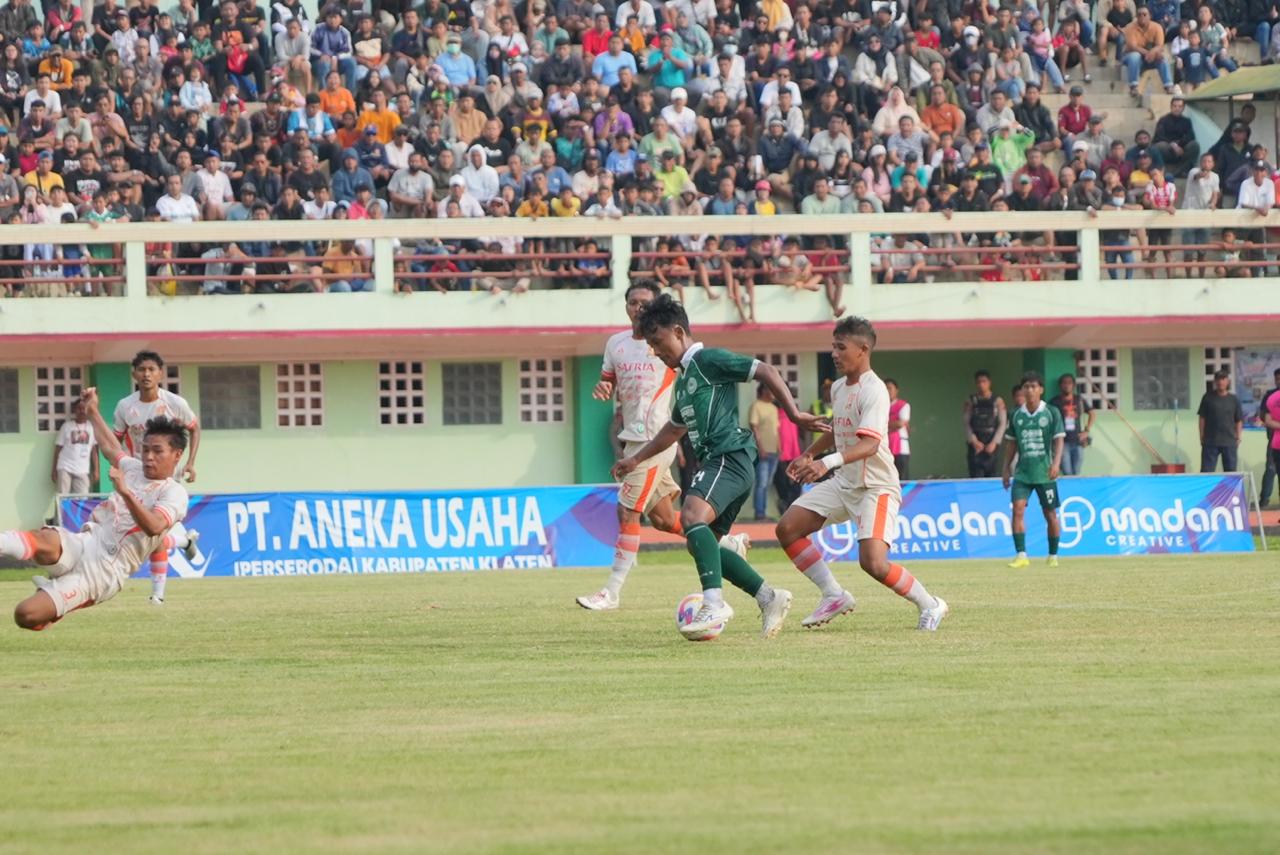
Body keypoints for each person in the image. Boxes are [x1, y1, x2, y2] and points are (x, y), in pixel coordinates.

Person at [612, 295, 822, 638]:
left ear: (678, 332)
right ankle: (768, 597)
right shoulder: (684, 381)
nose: (655, 351)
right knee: (700, 542)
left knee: (691, 517)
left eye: (658, 342)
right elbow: (673, 430)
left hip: (729, 455)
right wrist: (635, 458)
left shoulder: (707, 359)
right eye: (650, 345)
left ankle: (714, 604)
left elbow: (765, 371)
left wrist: (795, 415)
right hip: (721, 462)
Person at [577, 283, 749, 611]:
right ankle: (728, 543)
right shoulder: (616, 344)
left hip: (656, 439)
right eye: (632, 302)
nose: (638, 308)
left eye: (645, 302)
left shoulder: (664, 344)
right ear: (626, 307)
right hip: (632, 438)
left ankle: (611, 592)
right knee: (664, 519)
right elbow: (608, 381)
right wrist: (603, 386)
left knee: (627, 510)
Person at [775, 317, 949, 631]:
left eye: (841, 347)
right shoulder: (838, 387)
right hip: (845, 482)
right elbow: (839, 427)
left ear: (863, 349)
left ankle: (931, 604)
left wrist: (825, 464)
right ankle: (833, 595)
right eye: (833, 346)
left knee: (873, 563)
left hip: (876, 487)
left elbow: (870, 444)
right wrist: (809, 453)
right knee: (787, 528)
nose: (834, 353)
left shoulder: (876, 391)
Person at [8, 388, 188, 631]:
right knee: (43, 538)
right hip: (86, 540)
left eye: (157, 451)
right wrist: (92, 410)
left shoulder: (174, 493)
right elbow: (111, 447)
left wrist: (125, 492)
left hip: (105, 570)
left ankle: (61, 600)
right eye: (145, 449)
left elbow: (154, 527)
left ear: (177, 455)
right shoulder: (133, 468)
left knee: (25, 615)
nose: (148, 456)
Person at [112, 351, 200, 604]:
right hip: (136, 477)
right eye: (142, 370)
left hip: (166, 479)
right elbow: (114, 441)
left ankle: (157, 596)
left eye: (152, 369)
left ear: (161, 373)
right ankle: (183, 541)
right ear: (134, 374)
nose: (147, 374)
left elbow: (194, 428)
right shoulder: (125, 406)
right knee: (146, 534)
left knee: (153, 534)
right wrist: (119, 467)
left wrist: (190, 463)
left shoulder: (175, 403)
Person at [1003, 372, 1066, 569]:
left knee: (1050, 513)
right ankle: (1021, 555)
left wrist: (1056, 464)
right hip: (1022, 473)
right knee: (1017, 510)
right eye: (1026, 387)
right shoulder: (1016, 415)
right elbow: (1011, 444)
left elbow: (1059, 440)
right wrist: (1006, 468)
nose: (1029, 390)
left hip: (1045, 473)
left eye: (1033, 386)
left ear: (1041, 389)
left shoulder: (1051, 412)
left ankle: (1053, 555)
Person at [963, 370, 1007, 478]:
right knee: (975, 475)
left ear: (989, 382)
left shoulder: (998, 401)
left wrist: (994, 442)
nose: (981, 384)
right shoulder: (970, 401)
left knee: (991, 474)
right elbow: (966, 422)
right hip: (975, 442)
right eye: (979, 382)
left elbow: (1003, 423)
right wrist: (973, 441)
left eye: (984, 381)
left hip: (991, 441)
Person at [1049, 374, 1095, 476]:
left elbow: (1092, 413)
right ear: (1060, 385)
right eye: (1064, 383)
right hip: (1062, 442)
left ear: (1073, 385)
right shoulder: (1054, 402)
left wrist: (1086, 431)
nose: (1067, 385)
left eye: (1069, 383)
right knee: (1067, 472)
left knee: (1077, 471)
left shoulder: (1079, 400)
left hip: (1078, 440)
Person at [1198, 369, 1243, 472]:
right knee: (1206, 472)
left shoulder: (1234, 399)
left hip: (1229, 441)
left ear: (1228, 381)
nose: (1220, 382)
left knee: (1231, 472)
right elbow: (1202, 418)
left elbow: (1239, 420)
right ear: (1215, 381)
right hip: (1210, 441)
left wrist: (1238, 437)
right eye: (1218, 379)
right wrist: (1201, 436)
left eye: (1223, 379)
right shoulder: (1207, 397)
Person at [52, 398, 97, 495]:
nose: (81, 411)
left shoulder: (91, 427)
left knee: (82, 499)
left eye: (84, 408)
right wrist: (54, 470)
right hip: (65, 467)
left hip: (83, 469)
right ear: (74, 410)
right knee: (63, 498)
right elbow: (58, 449)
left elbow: (94, 451)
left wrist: (96, 470)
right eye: (79, 408)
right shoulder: (66, 426)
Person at [749, 383, 780, 521]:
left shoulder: (774, 408)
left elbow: (776, 430)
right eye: (771, 390)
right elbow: (754, 428)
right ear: (764, 390)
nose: (774, 393)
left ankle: (763, 512)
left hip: (774, 452)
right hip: (762, 451)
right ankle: (759, 513)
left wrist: (779, 447)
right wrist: (760, 448)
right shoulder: (756, 406)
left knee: (767, 483)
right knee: (761, 483)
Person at [1260, 368, 1280, 507]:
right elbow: (1264, 416)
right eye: (1277, 379)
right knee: (1271, 469)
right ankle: (1264, 501)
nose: (1279, 381)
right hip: (1274, 439)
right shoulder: (1270, 396)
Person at [885, 378, 909, 480]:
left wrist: (883, 424)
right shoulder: (882, 406)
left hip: (901, 449)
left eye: (890, 388)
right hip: (885, 448)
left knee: (901, 478)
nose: (888, 391)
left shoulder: (903, 405)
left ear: (896, 390)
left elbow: (900, 423)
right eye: (885, 388)